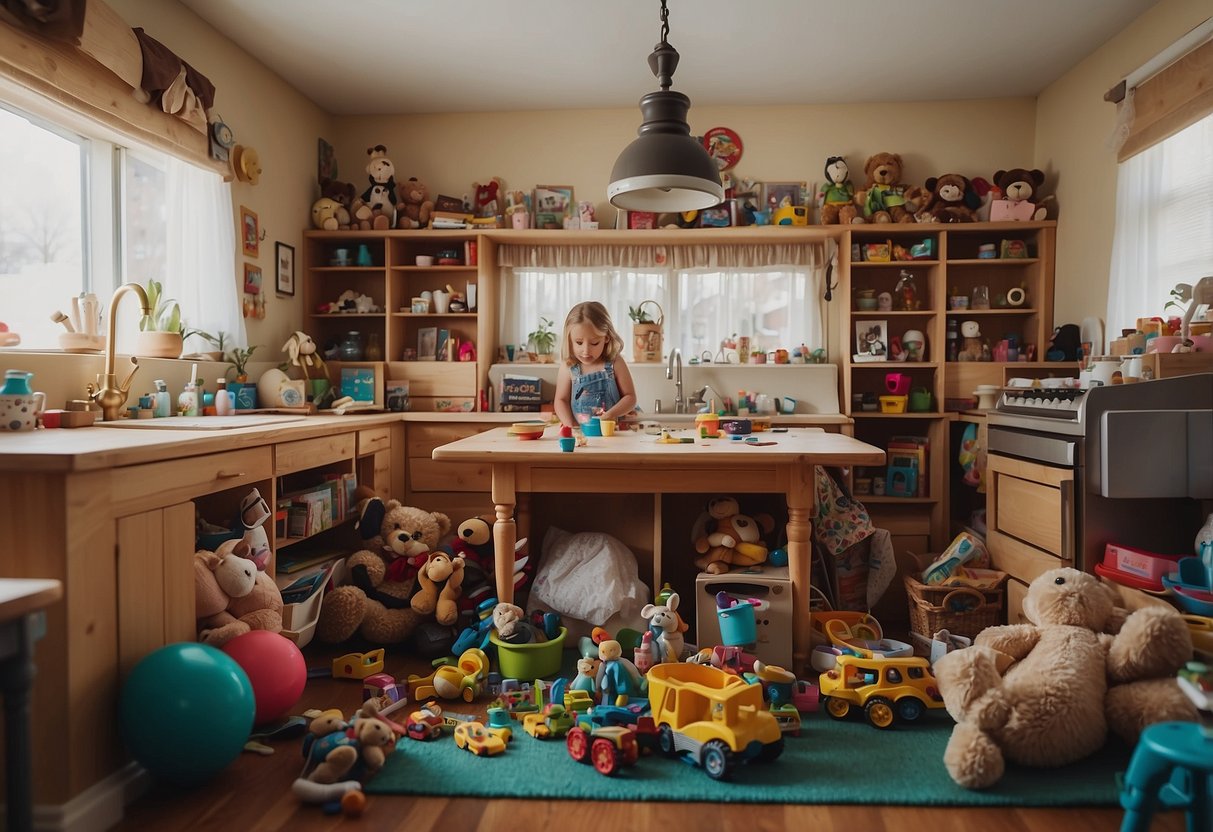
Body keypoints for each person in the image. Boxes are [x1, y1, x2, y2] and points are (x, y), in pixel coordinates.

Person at [553, 301, 637, 429]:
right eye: (579, 342)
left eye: (594, 343)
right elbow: (560, 401)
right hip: (581, 434)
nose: (586, 351)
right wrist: (570, 424)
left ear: (606, 338)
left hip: (612, 433)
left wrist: (610, 415)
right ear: (570, 339)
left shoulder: (615, 362)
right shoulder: (569, 366)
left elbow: (630, 397)